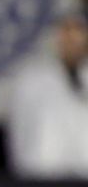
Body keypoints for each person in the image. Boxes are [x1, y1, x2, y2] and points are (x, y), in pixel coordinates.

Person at [6, 11, 88, 180]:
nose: (71, 39)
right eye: (65, 32)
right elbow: (18, 128)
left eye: (77, 32)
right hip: (43, 172)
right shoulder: (31, 79)